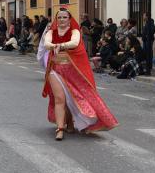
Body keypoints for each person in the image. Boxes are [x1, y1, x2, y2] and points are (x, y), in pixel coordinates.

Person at [41, 8, 117, 140]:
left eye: (65, 17)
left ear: (69, 19)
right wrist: (54, 46)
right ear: (56, 19)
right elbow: (47, 44)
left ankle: (70, 121)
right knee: (60, 99)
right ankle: (60, 128)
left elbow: (75, 43)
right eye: (59, 17)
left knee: (71, 98)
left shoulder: (75, 31)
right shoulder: (51, 32)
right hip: (56, 70)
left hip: (73, 71)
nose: (62, 20)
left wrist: (60, 45)